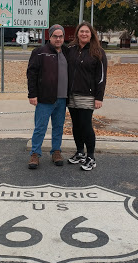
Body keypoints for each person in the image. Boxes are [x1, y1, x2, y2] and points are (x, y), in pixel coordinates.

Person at [26, 24, 69, 169]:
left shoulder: (67, 53)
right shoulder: (39, 52)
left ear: (64, 37)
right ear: (49, 37)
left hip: (62, 99)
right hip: (44, 99)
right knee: (40, 127)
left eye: (60, 36)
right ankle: (35, 154)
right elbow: (31, 75)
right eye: (55, 36)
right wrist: (32, 94)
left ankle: (56, 151)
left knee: (58, 127)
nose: (58, 39)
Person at [67, 21, 107, 171]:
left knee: (86, 125)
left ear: (92, 34)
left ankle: (91, 157)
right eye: (81, 31)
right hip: (71, 95)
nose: (84, 34)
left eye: (87, 32)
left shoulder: (98, 52)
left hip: (88, 95)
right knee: (76, 126)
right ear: (77, 33)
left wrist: (99, 97)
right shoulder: (71, 49)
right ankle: (80, 152)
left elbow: (102, 77)